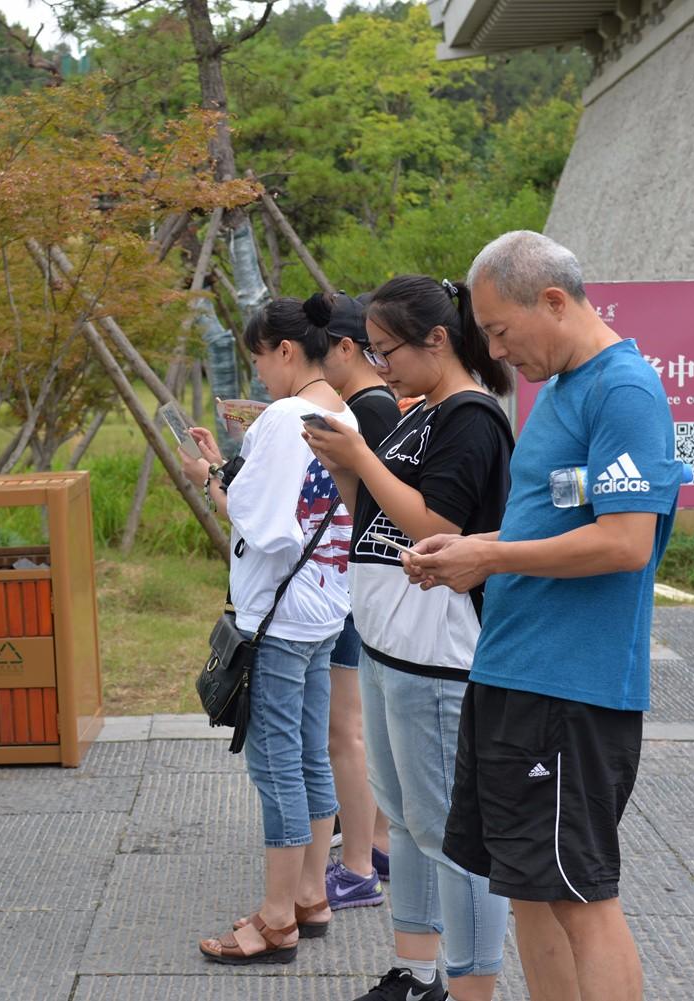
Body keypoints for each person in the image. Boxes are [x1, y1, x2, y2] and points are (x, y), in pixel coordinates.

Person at [403, 231, 683, 1001]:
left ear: (554, 301)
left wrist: (488, 559)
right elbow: (549, 527)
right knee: (524, 883)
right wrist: (470, 546)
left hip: (570, 687)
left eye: (498, 330)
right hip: (515, 673)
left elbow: (626, 542)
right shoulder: (559, 388)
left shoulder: (622, 390)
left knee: (580, 895)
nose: (495, 349)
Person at [305, 275, 514, 1001]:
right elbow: (382, 514)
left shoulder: (471, 417)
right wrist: (347, 466)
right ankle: (416, 970)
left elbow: (438, 528)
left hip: (439, 654)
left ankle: (469, 983)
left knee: (452, 834)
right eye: (371, 349)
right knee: (413, 823)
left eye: (387, 349)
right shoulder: (417, 410)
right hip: (389, 642)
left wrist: (360, 459)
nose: (379, 363)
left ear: (437, 339)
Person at [180, 297, 358, 964]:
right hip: (322, 608)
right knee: (310, 752)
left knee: (276, 761)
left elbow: (263, 525)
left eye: (259, 357)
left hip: (280, 618)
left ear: (285, 349)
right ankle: (309, 893)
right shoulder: (339, 409)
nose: (258, 373)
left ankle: (278, 915)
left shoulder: (285, 417)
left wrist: (212, 480)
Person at [311, 291, 396, 911]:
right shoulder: (370, 405)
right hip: (359, 581)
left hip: (355, 582)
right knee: (362, 727)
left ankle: (358, 865)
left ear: (346, 347)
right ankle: (379, 844)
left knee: (348, 732)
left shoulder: (368, 410)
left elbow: (373, 505)